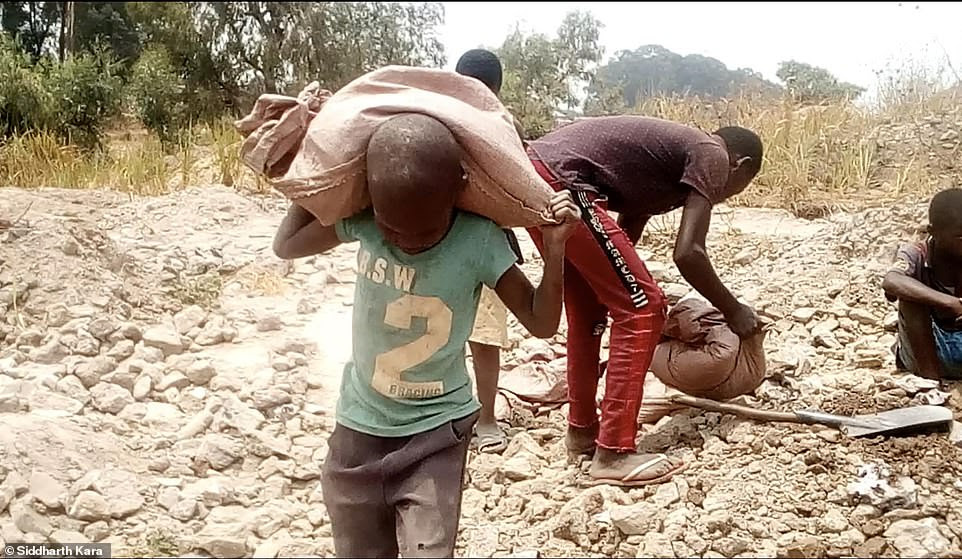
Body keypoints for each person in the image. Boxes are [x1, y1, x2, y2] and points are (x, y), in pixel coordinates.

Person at [272, 113, 580, 557]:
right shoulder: (362, 221)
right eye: (392, 229)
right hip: (357, 431)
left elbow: (541, 322)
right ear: (370, 200)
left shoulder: (478, 239)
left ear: (459, 188)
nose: (408, 242)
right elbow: (286, 246)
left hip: (436, 434)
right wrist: (322, 155)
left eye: (427, 231)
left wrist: (555, 251)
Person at [524, 115, 764, 486]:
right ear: (741, 165)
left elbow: (628, 224)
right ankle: (614, 452)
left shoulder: (665, 169)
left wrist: (617, 284)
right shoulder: (711, 153)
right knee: (644, 309)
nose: (724, 193)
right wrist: (735, 311)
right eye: (739, 187)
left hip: (539, 177)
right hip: (568, 184)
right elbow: (689, 254)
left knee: (591, 311)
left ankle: (583, 432)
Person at [455, 48, 525, 453]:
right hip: (488, 243)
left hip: (440, 237)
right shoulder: (504, 123)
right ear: (498, 87)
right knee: (483, 338)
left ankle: (473, 416)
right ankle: (484, 420)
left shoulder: (437, 113)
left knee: (453, 331)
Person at [883, 188, 962, 380]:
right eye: (961, 237)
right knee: (911, 296)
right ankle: (932, 385)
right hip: (929, 354)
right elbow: (891, 281)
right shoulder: (916, 253)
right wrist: (950, 303)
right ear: (933, 232)